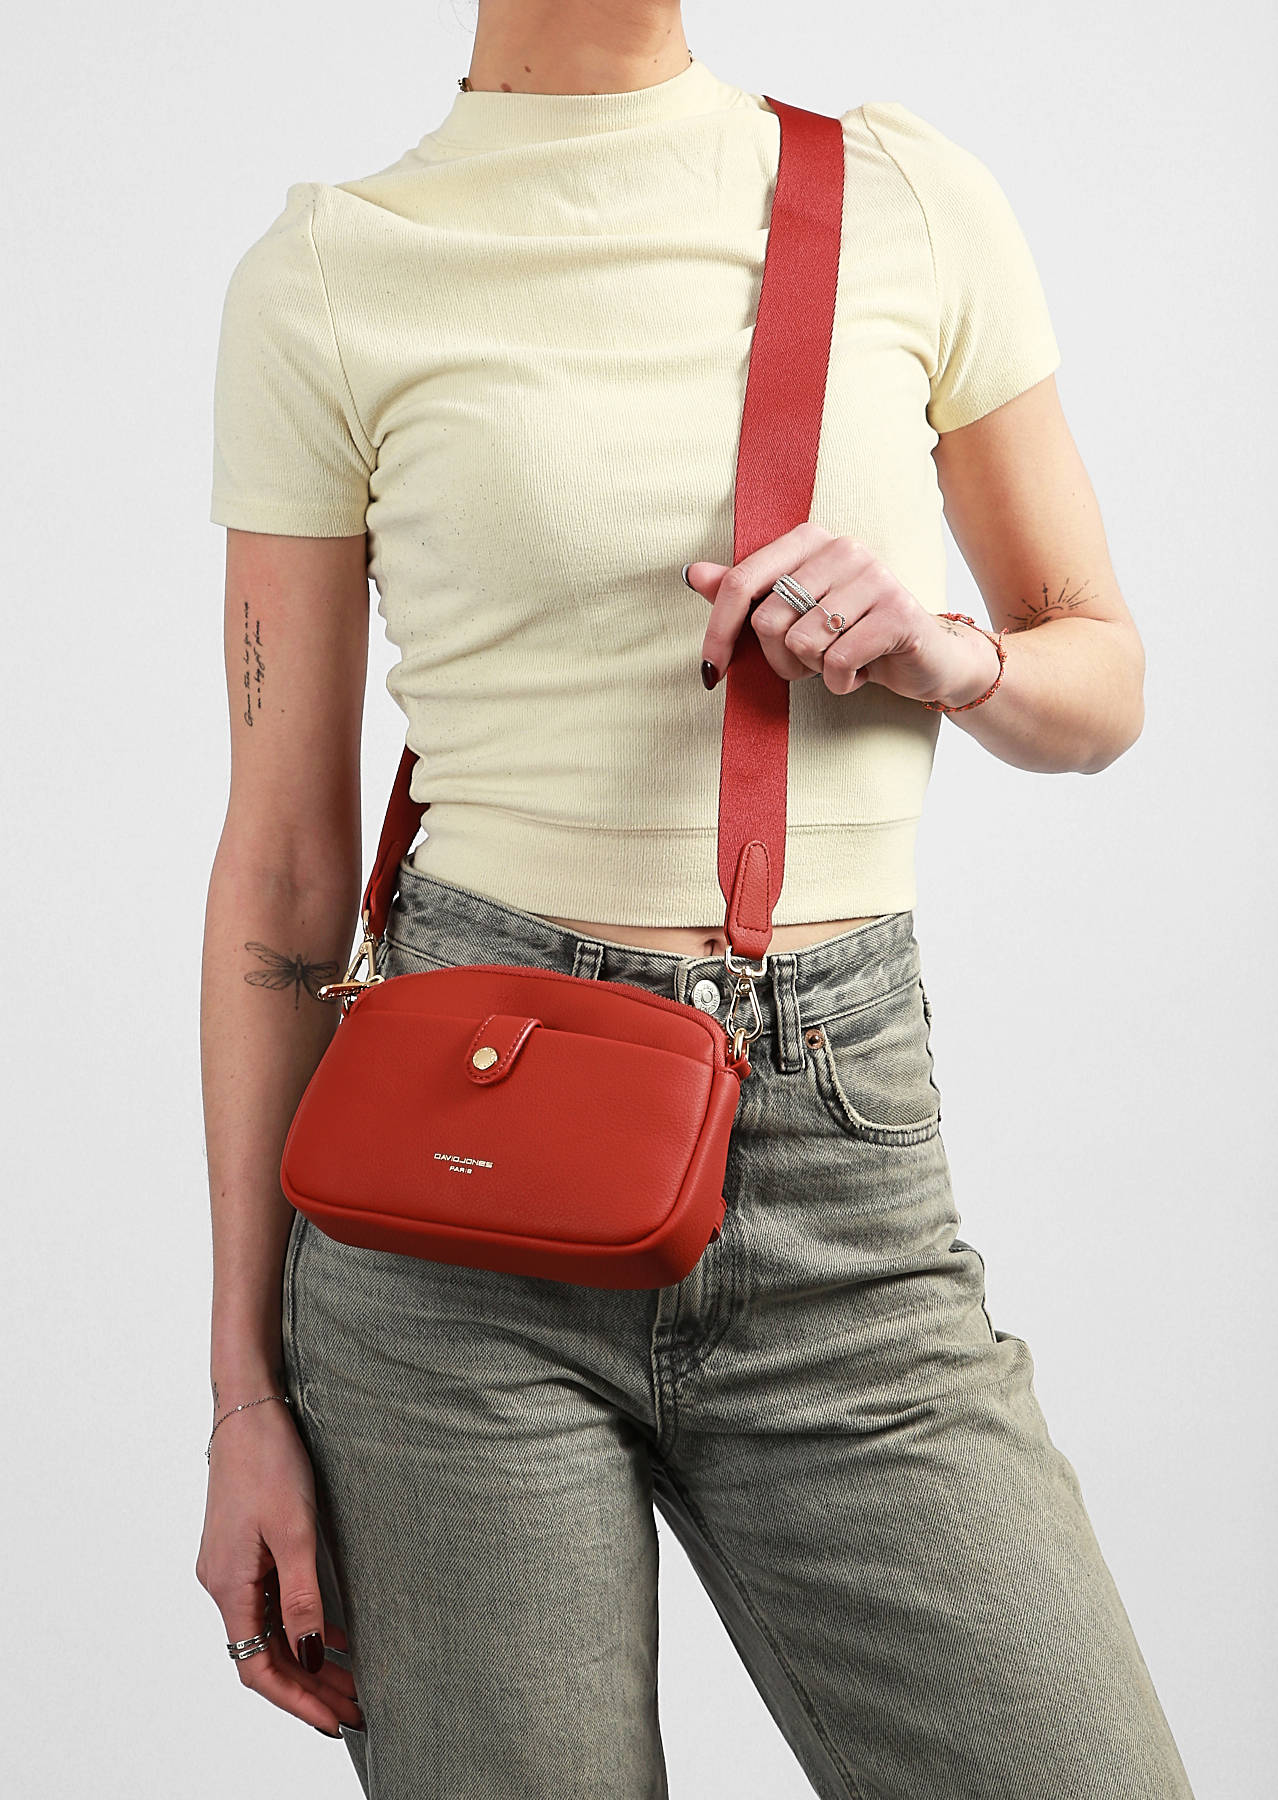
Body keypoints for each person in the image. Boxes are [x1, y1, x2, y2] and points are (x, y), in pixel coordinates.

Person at [196, 5, 1197, 1796]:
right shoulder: (333, 270)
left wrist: (949, 656)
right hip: (449, 1214)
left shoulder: (899, 197)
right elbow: (282, 865)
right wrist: (244, 1398)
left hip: (837, 1177)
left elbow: (1098, 674)